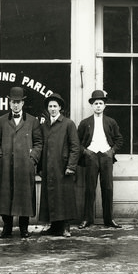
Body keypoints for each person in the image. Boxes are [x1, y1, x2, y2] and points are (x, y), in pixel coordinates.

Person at [0, 85, 43, 238]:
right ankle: (7, 228)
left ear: (23, 103)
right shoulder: (1, 121)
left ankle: (24, 228)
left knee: (24, 196)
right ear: (9, 102)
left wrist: (33, 158)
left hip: (25, 166)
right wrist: (0, 156)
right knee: (6, 197)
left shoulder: (32, 121)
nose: (15, 104)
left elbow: (39, 143)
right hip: (7, 165)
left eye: (18, 102)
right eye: (13, 102)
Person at [77, 89, 124, 229]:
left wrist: (112, 151)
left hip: (106, 156)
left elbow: (119, 139)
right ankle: (87, 219)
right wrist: (86, 152)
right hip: (91, 157)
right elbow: (76, 142)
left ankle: (109, 220)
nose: (98, 106)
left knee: (108, 188)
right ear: (92, 105)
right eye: (96, 103)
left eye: (101, 103)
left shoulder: (111, 122)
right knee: (90, 188)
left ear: (104, 106)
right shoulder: (85, 123)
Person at [37, 92, 81, 236]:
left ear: (60, 107)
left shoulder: (68, 124)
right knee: (51, 196)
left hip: (63, 167)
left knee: (65, 196)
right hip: (48, 167)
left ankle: (66, 227)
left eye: (55, 106)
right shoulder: (44, 125)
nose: (53, 109)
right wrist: (40, 168)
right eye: (50, 106)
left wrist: (71, 166)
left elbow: (75, 147)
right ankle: (54, 226)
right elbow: (40, 146)